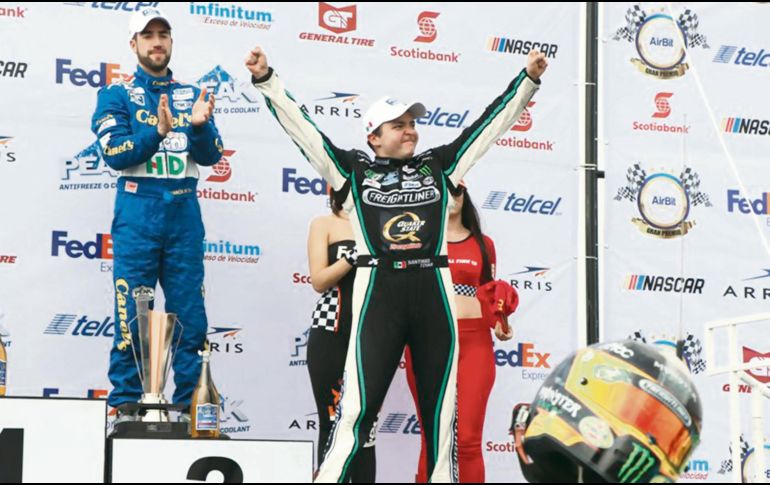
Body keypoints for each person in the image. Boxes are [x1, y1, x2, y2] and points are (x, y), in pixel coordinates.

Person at [245, 45, 546, 482]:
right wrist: (267, 79)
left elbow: (488, 128)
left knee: (442, 418)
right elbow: (305, 132)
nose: (410, 131)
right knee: (355, 412)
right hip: (379, 292)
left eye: (412, 124)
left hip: (432, 290)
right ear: (373, 136)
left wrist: (528, 81)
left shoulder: (438, 166)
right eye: (398, 124)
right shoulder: (353, 172)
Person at [91, 7, 223, 419]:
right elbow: (114, 153)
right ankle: (127, 406)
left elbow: (212, 155)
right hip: (138, 209)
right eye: (147, 36)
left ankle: (190, 407)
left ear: (171, 42)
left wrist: (200, 127)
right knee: (131, 314)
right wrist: (158, 132)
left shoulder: (191, 94)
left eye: (163, 34)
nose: (156, 41)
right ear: (134, 45)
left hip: (184, 211)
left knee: (191, 316)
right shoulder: (115, 95)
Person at [405, 181, 518, 483]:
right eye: (443, 191)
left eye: (456, 190)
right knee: (433, 437)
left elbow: (490, 296)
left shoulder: (484, 244)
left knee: (467, 439)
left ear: (465, 195)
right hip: (427, 342)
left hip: (474, 342)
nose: (451, 197)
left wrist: (500, 324)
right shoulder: (417, 240)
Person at [306, 189, 376, 482]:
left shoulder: (381, 226)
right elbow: (318, 280)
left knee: (366, 425)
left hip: (373, 335)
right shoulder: (324, 223)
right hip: (330, 330)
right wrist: (351, 257)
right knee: (331, 420)